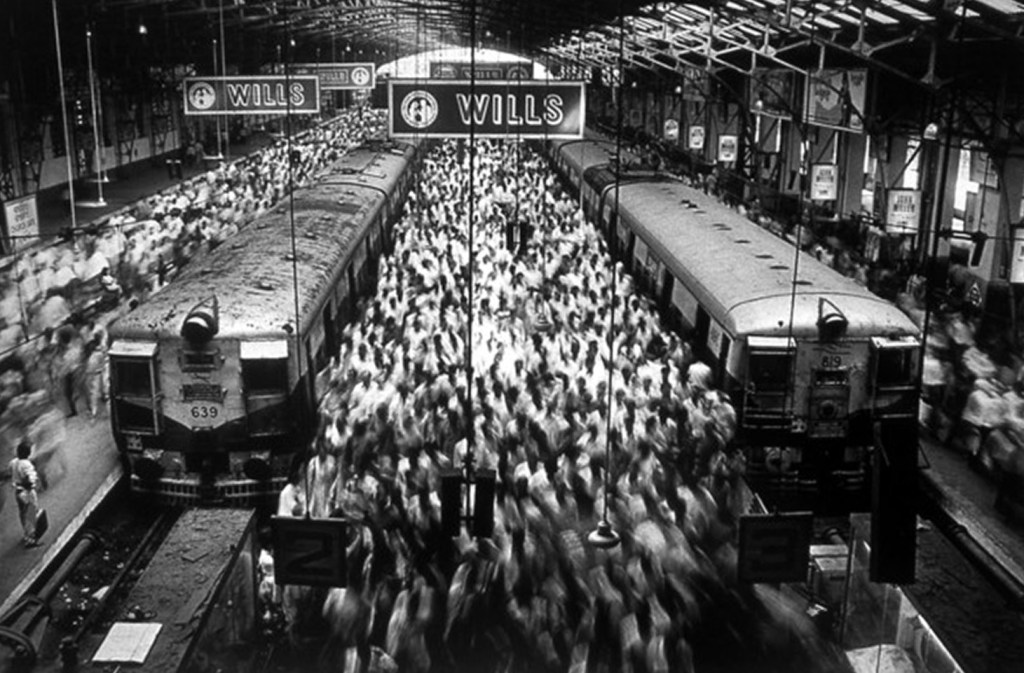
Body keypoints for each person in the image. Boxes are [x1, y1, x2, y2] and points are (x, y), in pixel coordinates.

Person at [9, 441, 41, 547]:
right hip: (26, 492)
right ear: (28, 453)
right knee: (31, 514)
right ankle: (31, 539)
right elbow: (29, 479)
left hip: (18, 493)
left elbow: (9, 473)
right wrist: (31, 483)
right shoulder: (26, 464)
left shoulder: (13, 462)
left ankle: (26, 535)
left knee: (22, 514)